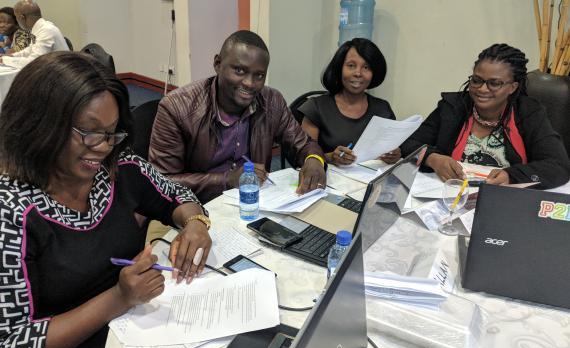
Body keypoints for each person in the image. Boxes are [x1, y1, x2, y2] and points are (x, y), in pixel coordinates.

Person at [0, 52, 212, 348]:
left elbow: (177, 194)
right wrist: (119, 297)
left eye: (111, 133)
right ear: (40, 124)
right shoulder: (12, 212)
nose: (102, 147)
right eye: (88, 132)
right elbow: (11, 339)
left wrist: (195, 223)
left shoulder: (117, 166)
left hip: (138, 328)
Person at [149, 30, 327, 203]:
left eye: (259, 75)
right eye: (239, 71)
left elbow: (303, 144)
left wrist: (314, 159)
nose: (249, 83)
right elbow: (161, 181)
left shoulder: (272, 101)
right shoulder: (177, 107)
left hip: (254, 203)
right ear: (218, 64)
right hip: (195, 206)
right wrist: (227, 180)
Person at [400, 43, 570, 189]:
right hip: (450, 199)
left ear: (512, 87)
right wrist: (432, 158)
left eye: (494, 83)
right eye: (477, 80)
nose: (482, 89)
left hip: (503, 201)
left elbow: (558, 166)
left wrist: (511, 176)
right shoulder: (453, 106)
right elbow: (408, 142)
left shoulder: (529, 113)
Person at [299, 38, 401, 166]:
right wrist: (331, 157)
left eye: (366, 67)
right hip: (331, 181)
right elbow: (303, 157)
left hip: (372, 180)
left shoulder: (382, 109)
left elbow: (392, 147)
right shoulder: (316, 107)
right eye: (351, 65)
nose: (358, 73)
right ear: (339, 68)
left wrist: (395, 154)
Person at [0, 0, 68, 69]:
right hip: (54, 70)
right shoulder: (39, 28)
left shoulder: (46, 30)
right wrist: (12, 56)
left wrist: (4, 60)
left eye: (16, 18)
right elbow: (30, 50)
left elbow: (35, 61)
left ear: (22, 17)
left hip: (62, 74)